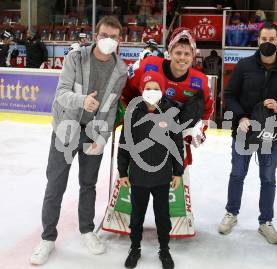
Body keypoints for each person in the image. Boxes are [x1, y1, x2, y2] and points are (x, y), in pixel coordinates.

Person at [30, 16, 128, 265]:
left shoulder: (120, 70)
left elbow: (110, 107)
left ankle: (87, 230)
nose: (109, 41)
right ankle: (48, 237)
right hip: (66, 129)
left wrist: (103, 138)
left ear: (120, 40)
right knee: (55, 185)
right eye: (105, 35)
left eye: (114, 37)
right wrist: (82, 100)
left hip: (93, 132)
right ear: (96, 36)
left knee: (88, 185)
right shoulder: (76, 58)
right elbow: (62, 93)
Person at [122, 27, 213, 237]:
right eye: (178, 52)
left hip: (174, 134)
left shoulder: (200, 81)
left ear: (193, 55)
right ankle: (126, 217)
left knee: (177, 172)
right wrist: (125, 115)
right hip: (141, 130)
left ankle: (176, 218)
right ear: (170, 52)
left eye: (187, 53)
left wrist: (198, 129)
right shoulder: (148, 65)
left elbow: (207, 110)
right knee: (132, 171)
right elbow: (125, 88)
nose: (182, 58)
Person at [218, 23, 277, 244]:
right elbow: (229, 95)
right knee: (237, 174)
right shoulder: (244, 66)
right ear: (258, 40)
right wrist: (240, 117)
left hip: (270, 135)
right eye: (264, 38)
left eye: (272, 39)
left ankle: (266, 221)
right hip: (244, 131)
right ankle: (231, 213)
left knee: (268, 177)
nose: (267, 43)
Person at [118, 71, 183, 269]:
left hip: (162, 176)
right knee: (137, 215)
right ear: (141, 90)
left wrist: (177, 171)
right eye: (148, 88)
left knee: (162, 215)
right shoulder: (132, 113)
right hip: (138, 176)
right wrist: (122, 173)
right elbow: (124, 145)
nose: (152, 92)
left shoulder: (171, 113)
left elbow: (177, 144)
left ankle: (164, 249)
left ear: (162, 91)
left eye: (156, 89)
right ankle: (135, 247)